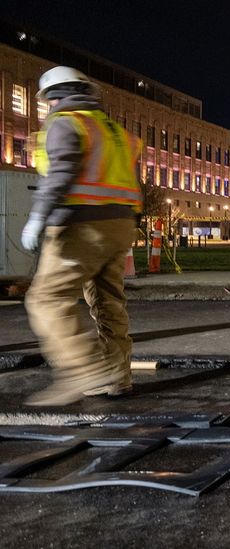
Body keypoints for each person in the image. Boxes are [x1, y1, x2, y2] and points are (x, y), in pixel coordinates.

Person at [22, 66, 142, 407]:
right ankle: (117, 377)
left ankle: (83, 369)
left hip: (81, 225)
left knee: (46, 300)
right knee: (108, 303)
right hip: (120, 227)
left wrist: (37, 217)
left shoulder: (67, 123)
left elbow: (59, 175)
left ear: (54, 96)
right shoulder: (115, 131)